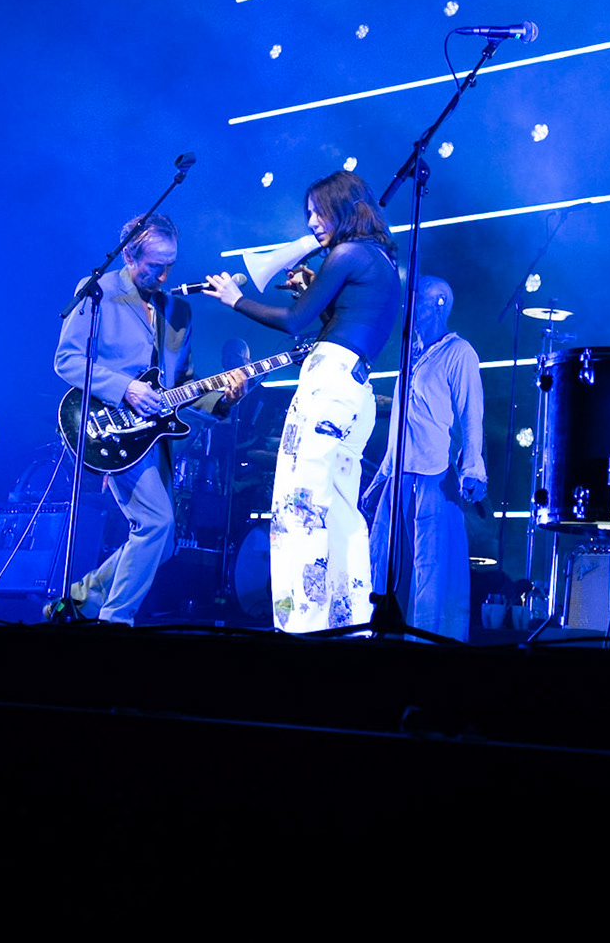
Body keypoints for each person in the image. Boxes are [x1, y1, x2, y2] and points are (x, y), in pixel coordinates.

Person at [204, 171, 401, 632]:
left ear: (343, 208)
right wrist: (315, 288)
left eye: (318, 212)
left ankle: (301, 625)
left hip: (327, 382)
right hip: (356, 392)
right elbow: (348, 317)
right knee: (342, 512)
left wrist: (236, 300)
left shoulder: (346, 253)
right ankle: (349, 622)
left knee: (300, 505)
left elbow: (295, 321)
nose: (312, 222)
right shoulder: (380, 259)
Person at [53, 213, 246, 624]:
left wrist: (223, 399)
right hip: (107, 427)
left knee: (165, 540)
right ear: (128, 255)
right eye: (155, 265)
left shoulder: (178, 311)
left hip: (154, 438)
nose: (163, 276)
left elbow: (185, 386)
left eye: (170, 265)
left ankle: (81, 602)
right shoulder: (98, 291)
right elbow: (67, 360)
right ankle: (114, 621)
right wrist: (125, 387)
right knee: (156, 523)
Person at [362, 276, 486, 642]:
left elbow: (471, 414)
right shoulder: (412, 354)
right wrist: (380, 480)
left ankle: (427, 645)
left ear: (439, 304)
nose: (410, 309)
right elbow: (400, 425)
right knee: (385, 563)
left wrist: (473, 468)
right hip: (399, 475)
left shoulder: (459, 352)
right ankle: (382, 638)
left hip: (434, 475)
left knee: (430, 569)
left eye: (418, 301)